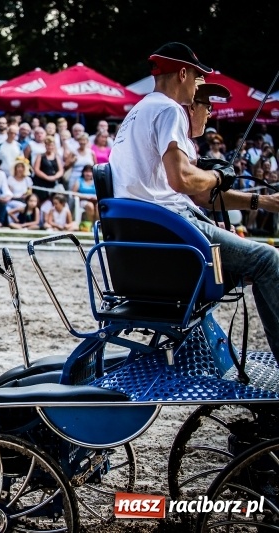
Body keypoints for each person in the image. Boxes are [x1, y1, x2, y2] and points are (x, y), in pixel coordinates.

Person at [109, 41, 279, 360]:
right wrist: (217, 176)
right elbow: (184, 181)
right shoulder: (168, 108)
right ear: (184, 74)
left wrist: (262, 202)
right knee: (268, 261)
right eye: (199, 78)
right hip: (172, 231)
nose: (200, 89)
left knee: (255, 260)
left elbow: (198, 193)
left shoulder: (140, 111)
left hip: (152, 231)